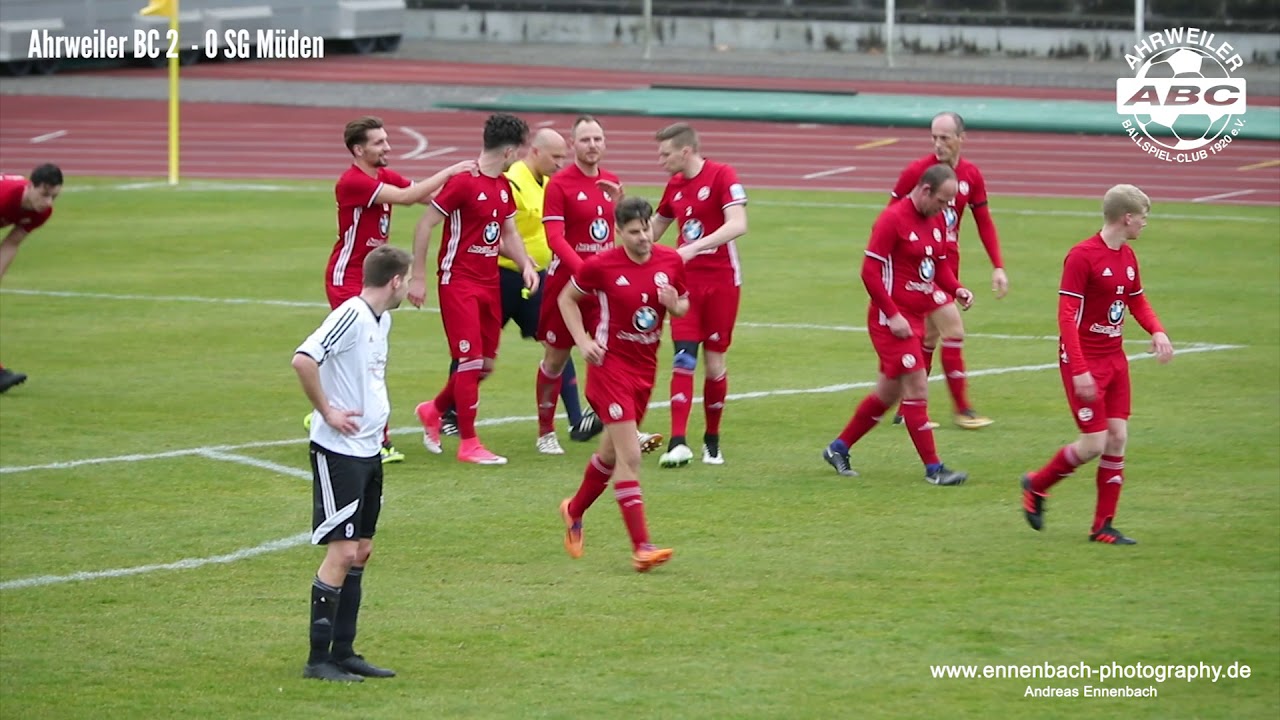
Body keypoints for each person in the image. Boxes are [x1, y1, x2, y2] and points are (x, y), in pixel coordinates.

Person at [1020, 184, 1173, 545]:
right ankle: (1037, 485)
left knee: (1118, 437)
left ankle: (1102, 526)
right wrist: (1079, 369)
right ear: (1127, 217)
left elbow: (1136, 301)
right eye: (1143, 218)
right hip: (1085, 361)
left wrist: (1157, 331)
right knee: (1093, 444)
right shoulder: (1082, 257)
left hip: (1115, 360)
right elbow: (1066, 316)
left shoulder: (1128, 258)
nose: (1145, 225)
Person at [317, 116, 475, 463]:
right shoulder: (353, 182)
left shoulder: (382, 175)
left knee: (363, 354)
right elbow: (406, 197)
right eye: (379, 142)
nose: (387, 147)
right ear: (359, 150)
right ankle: (379, 439)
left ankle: (328, 411)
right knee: (364, 356)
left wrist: (467, 197)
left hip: (373, 278)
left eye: (386, 140)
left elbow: (427, 197)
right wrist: (450, 171)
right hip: (349, 279)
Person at [292, 244, 411, 682]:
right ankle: (317, 660)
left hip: (368, 449)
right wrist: (327, 411)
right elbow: (304, 359)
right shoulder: (351, 315)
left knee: (361, 549)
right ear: (396, 280)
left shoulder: (383, 320)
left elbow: (368, 375)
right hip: (339, 453)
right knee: (341, 552)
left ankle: (344, 652)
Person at [437, 127, 595, 451]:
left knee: (556, 342)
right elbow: (497, 229)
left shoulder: (549, 182)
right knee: (473, 354)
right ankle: (447, 413)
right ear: (534, 152)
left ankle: (577, 420)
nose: (561, 163)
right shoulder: (512, 180)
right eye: (556, 157)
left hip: (530, 278)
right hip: (497, 277)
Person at [556, 196, 688, 572]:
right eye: (634, 232)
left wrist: (673, 302)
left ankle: (574, 509)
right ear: (619, 232)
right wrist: (582, 342)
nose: (644, 237)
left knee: (611, 455)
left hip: (644, 370)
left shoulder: (671, 260)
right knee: (630, 458)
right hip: (609, 367)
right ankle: (641, 547)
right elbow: (568, 298)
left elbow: (683, 308)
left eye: (646, 229)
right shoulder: (601, 266)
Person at [821, 163, 969, 487]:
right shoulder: (892, 219)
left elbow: (938, 267)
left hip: (914, 317)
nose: (946, 209)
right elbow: (869, 272)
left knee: (887, 394)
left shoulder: (938, 219)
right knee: (917, 386)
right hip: (890, 321)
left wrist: (956, 289)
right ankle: (935, 469)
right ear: (925, 190)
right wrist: (892, 314)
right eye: (943, 201)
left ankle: (838, 448)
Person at [408, 112, 539, 465]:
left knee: (484, 365)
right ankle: (469, 443)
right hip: (458, 281)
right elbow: (425, 225)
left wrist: (526, 264)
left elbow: (509, 235)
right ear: (510, 152)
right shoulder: (465, 182)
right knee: (468, 361)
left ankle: (433, 409)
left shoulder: (502, 188)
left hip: (489, 282)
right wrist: (418, 276)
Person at [537, 115, 660, 455]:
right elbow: (554, 237)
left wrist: (621, 199)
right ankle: (545, 431)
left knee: (612, 356)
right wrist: (586, 271)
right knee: (555, 360)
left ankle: (624, 426)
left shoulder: (611, 182)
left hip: (603, 290)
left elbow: (623, 230)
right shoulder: (559, 184)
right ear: (573, 144)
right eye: (586, 139)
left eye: (598, 139)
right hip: (569, 287)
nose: (593, 145)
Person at [888, 111, 1005, 430]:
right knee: (953, 330)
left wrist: (997, 266)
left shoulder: (971, 175)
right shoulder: (916, 171)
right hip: (919, 268)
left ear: (961, 139)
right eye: (933, 138)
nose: (938, 144)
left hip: (945, 267)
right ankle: (963, 409)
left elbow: (984, 221)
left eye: (945, 137)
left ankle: (905, 408)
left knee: (930, 335)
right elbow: (891, 216)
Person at [648, 122, 749, 468]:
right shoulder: (673, 185)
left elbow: (738, 223)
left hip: (722, 282)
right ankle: (678, 441)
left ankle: (712, 439)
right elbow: (653, 231)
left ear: (685, 151)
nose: (660, 160)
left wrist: (695, 247)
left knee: (715, 363)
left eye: (665, 154)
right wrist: (621, 212)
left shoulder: (722, 175)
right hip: (685, 284)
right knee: (683, 358)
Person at [0, 163, 63, 393]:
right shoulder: (4, 196)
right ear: (30, 186)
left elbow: (11, 243)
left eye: (54, 197)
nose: (48, 203)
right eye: (44, 195)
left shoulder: (42, 212)